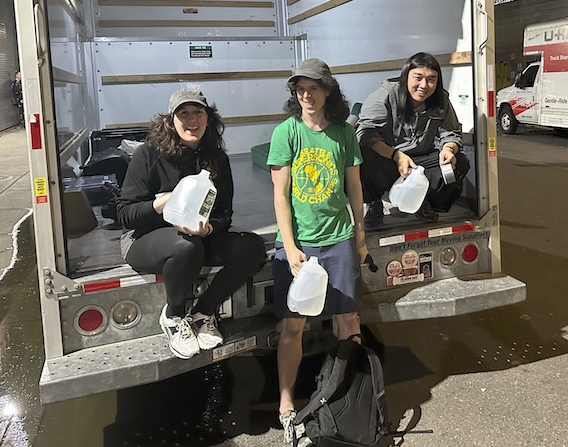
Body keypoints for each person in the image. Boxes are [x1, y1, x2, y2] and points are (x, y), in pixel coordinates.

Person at [116, 88, 265, 359]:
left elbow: (224, 212)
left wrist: (209, 228)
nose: (192, 119)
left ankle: (203, 312)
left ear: (209, 118)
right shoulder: (148, 155)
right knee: (186, 246)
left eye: (198, 112)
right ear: (171, 120)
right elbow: (125, 214)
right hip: (145, 239)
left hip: (197, 237)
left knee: (253, 247)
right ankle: (174, 316)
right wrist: (162, 203)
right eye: (183, 113)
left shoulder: (216, 159)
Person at [267, 59, 368, 444]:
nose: (306, 95)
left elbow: (354, 187)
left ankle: (349, 394)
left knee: (348, 319)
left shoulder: (344, 133)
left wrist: (360, 236)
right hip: (301, 243)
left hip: (339, 238)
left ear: (328, 91)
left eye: (313, 88)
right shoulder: (286, 132)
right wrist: (290, 246)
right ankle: (286, 402)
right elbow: (280, 195)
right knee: (294, 325)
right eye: (300, 89)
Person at [355, 52, 471, 228]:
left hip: (420, 161)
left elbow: (451, 132)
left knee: (459, 162)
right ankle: (372, 202)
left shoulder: (441, 99)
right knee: (363, 154)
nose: (424, 85)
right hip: (388, 157)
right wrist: (396, 155)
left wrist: (448, 149)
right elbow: (366, 134)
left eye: (431, 80)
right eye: (418, 78)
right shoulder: (385, 94)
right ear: (405, 77)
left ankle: (423, 201)